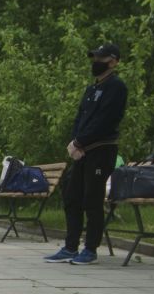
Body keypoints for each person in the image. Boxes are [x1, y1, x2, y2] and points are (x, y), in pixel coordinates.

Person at [44, 43, 128, 267]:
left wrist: (82, 142)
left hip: (101, 150)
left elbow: (105, 120)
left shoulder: (116, 87)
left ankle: (90, 249)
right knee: (72, 197)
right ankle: (70, 246)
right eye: (94, 58)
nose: (95, 62)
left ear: (113, 61)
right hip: (82, 153)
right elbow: (80, 118)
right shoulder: (91, 90)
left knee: (92, 199)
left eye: (100, 58)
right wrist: (74, 142)